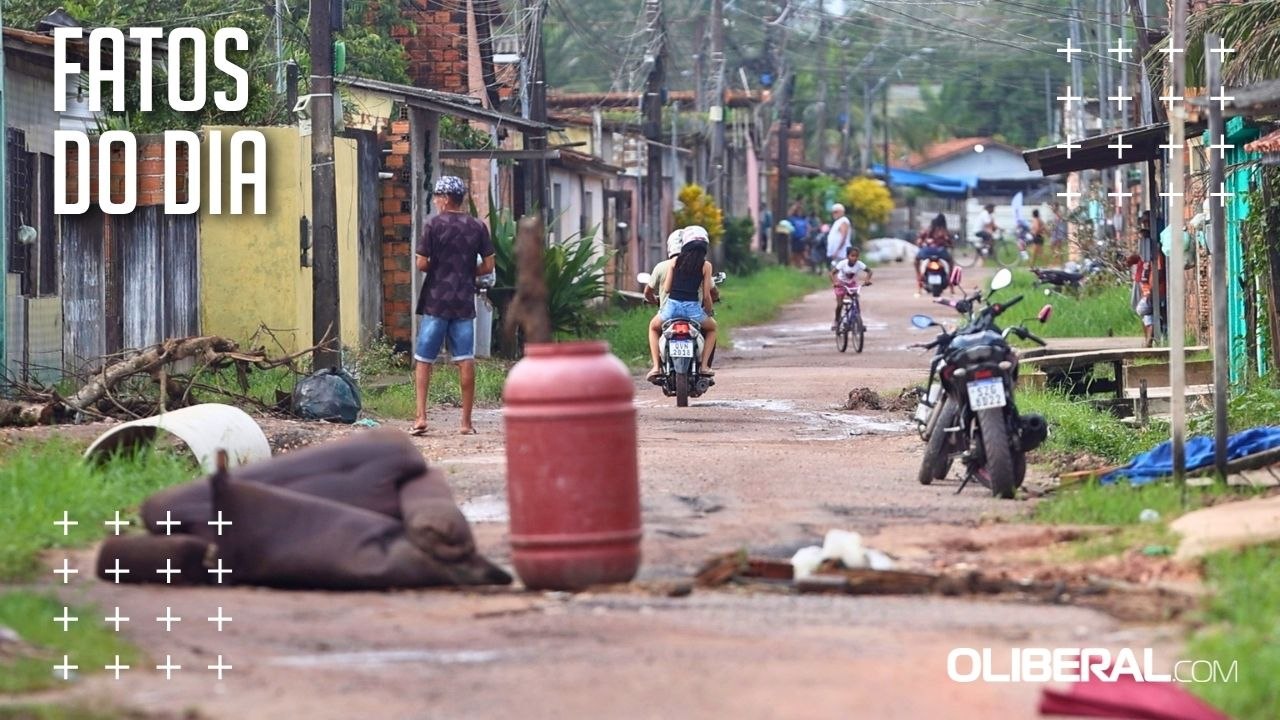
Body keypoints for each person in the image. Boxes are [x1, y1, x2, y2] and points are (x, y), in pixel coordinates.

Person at [412, 176, 496, 436]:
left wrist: (439, 266)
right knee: (465, 359)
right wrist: (468, 271)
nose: (436, 200)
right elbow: (489, 266)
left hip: (436, 300)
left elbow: (421, 263)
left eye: (438, 196)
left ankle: (421, 417)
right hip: (463, 301)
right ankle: (465, 423)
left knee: (424, 359)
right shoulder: (477, 226)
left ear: (446, 198)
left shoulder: (433, 225)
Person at [651, 236, 718, 379]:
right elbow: (706, 296)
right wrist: (709, 312)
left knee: (653, 327)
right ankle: (705, 366)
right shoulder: (706, 266)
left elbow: (667, 288)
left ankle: (656, 367)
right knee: (712, 328)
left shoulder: (675, 261)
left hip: (672, 307)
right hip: (692, 310)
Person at [830, 245, 873, 330]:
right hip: (841, 283)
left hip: (851, 284)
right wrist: (835, 282)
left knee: (856, 301)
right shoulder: (842, 264)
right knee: (840, 304)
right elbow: (832, 273)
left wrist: (867, 280)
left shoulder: (859, 264)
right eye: (852, 256)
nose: (854, 258)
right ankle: (836, 320)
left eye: (856, 256)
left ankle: (858, 321)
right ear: (847, 256)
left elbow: (869, 271)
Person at [914, 213, 954, 296]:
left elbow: (919, 240)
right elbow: (950, 242)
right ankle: (951, 283)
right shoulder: (944, 231)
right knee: (950, 262)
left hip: (926, 252)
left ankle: (918, 276)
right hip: (940, 252)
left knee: (916, 260)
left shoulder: (928, 230)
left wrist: (921, 244)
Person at [1127, 253, 1154, 347]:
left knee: (1146, 313)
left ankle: (1149, 339)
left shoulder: (1148, 261)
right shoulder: (1142, 262)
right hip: (1143, 287)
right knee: (1145, 315)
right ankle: (1147, 339)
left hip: (1147, 289)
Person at [787, 201, 810, 269]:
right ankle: (796, 266)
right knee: (795, 253)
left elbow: (807, 227)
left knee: (803, 253)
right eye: (798, 211)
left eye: (800, 211)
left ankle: (802, 265)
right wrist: (794, 207)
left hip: (803, 238)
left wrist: (807, 235)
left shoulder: (804, 219)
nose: (799, 212)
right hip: (795, 238)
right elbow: (788, 214)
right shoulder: (793, 219)